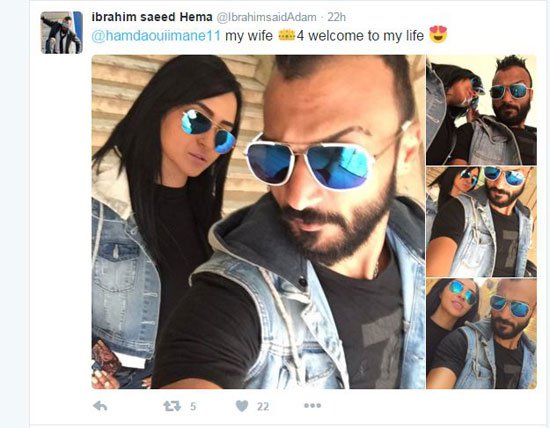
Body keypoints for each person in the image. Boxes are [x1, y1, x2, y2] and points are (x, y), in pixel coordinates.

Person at [153, 55, 426, 390]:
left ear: (406, 151)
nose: (296, 198)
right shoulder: (233, 300)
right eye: (275, 155)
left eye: (339, 158)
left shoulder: (422, 246)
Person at [91, 55, 242, 389]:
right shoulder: (96, 202)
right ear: (160, 105)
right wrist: (91, 371)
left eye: (223, 135)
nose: (208, 142)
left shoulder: (213, 226)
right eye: (197, 120)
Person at [427, 278, 536, 389]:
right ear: (441, 291)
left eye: (519, 308)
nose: (504, 315)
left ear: (534, 311)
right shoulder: (462, 341)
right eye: (498, 301)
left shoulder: (531, 354)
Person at [426, 166, 534, 278]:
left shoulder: (527, 220)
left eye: (513, 176)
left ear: (529, 174)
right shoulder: (457, 210)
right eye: (492, 171)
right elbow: (434, 274)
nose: (499, 185)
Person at [450, 55, 536, 165]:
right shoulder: (470, 132)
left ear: (530, 94)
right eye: (498, 91)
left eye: (517, 90)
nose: (506, 99)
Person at [426, 61, 485, 165]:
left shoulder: (452, 133)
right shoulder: (423, 80)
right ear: (458, 74)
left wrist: (471, 126)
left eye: (475, 99)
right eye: (476, 84)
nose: (475, 94)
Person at [425, 279, 479, 371]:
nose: (462, 296)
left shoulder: (462, 345)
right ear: (441, 292)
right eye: (456, 287)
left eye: (470, 296)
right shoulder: (415, 321)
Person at [425, 166, 479, 243]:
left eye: (474, 179)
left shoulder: (466, 211)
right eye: (466, 174)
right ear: (454, 171)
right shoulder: (428, 197)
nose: (469, 180)